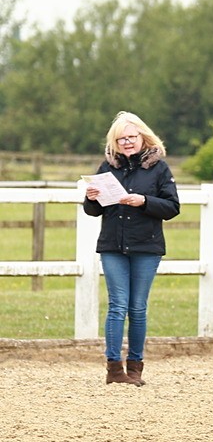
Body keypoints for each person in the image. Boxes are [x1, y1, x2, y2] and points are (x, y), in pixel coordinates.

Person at [83, 111, 180, 386]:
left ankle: (135, 367)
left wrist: (144, 201)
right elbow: (93, 211)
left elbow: (172, 207)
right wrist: (90, 199)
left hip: (146, 247)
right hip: (113, 244)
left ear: (142, 137)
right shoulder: (107, 167)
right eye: (121, 138)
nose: (126, 142)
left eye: (131, 137)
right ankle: (114, 369)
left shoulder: (159, 169)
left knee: (137, 308)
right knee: (117, 306)